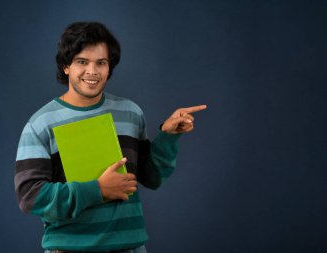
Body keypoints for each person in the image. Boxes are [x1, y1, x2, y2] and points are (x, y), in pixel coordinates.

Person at [14, 21, 206, 253]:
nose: (92, 72)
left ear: (109, 68)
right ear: (66, 66)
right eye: (82, 62)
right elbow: (31, 197)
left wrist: (168, 137)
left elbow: (151, 177)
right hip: (71, 249)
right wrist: (98, 190)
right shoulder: (40, 124)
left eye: (101, 63)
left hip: (131, 248)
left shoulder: (130, 113)